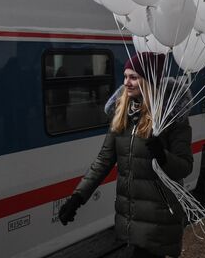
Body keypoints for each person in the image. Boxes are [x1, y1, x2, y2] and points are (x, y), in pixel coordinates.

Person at [58, 52, 193, 258]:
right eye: (125, 76)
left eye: (133, 77)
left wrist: (163, 156)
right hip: (133, 216)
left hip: (159, 216)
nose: (126, 83)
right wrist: (78, 198)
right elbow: (103, 161)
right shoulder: (122, 114)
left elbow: (185, 166)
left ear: (148, 81)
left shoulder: (171, 118)